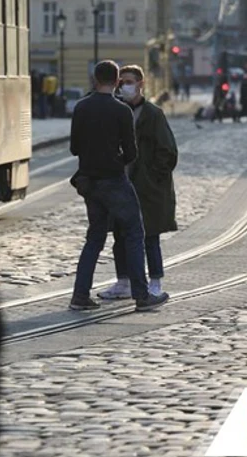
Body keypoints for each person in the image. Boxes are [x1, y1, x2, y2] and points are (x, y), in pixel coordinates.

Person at [68, 60, 170, 312]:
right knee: (135, 233)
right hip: (114, 180)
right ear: (116, 82)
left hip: (89, 182)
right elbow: (131, 152)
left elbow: (74, 148)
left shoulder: (81, 107)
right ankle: (141, 295)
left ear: (95, 79)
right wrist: (116, 161)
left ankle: (80, 295)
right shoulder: (121, 111)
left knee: (94, 237)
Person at [99, 65, 179, 300]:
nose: (125, 86)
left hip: (147, 187)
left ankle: (155, 281)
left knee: (150, 236)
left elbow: (168, 152)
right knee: (120, 236)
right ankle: (123, 282)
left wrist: (151, 177)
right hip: (120, 184)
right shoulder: (116, 110)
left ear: (141, 84)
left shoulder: (153, 114)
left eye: (130, 81)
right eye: (121, 82)